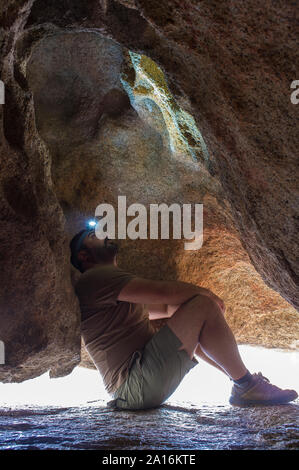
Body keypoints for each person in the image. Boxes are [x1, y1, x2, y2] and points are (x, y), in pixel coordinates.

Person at [70, 227, 298, 410]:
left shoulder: (111, 292)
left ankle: (244, 383)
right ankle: (246, 385)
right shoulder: (95, 277)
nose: (103, 234)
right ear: (84, 256)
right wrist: (208, 296)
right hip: (136, 384)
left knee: (193, 312)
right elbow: (164, 293)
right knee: (203, 305)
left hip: (136, 389)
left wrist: (197, 304)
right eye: (93, 235)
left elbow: (168, 307)